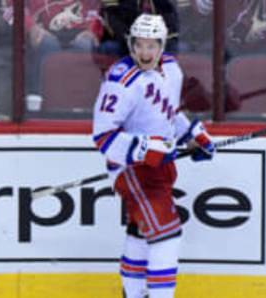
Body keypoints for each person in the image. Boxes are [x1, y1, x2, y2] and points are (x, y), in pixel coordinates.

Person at [92, 13, 215, 298]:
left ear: (163, 46)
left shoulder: (172, 70)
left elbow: (168, 115)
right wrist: (146, 148)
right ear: (131, 44)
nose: (145, 53)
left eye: (151, 46)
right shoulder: (120, 82)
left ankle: (133, 293)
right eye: (139, 45)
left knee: (141, 231)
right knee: (166, 234)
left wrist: (192, 135)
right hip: (131, 169)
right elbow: (103, 136)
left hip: (159, 168)